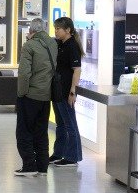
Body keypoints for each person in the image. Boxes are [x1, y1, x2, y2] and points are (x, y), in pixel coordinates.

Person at [14, 18, 58, 177]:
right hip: (46, 96)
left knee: (24, 132)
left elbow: (24, 73)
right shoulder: (53, 44)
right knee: (41, 132)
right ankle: (42, 167)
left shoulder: (29, 46)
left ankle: (29, 165)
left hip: (30, 95)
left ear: (31, 30)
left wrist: (21, 93)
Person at [49, 16, 84, 167]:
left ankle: (72, 157)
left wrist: (72, 92)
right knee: (61, 124)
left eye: (58, 29)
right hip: (57, 90)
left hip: (65, 91)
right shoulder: (60, 44)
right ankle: (58, 153)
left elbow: (77, 70)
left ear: (68, 30)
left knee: (70, 124)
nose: (56, 31)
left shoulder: (72, 46)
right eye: (55, 28)